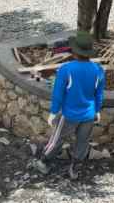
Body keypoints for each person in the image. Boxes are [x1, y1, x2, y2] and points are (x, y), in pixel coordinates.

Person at [42, 31, 106, 179]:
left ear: (74, 51)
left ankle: (44, 161)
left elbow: (58, 93)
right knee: (82, 142)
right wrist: (97, 110)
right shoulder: (98, 70)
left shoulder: (66, 69)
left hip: (69, 115)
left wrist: (53, 112)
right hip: (89, 115)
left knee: (57, 139)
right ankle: (75, 169)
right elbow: (99, 94)